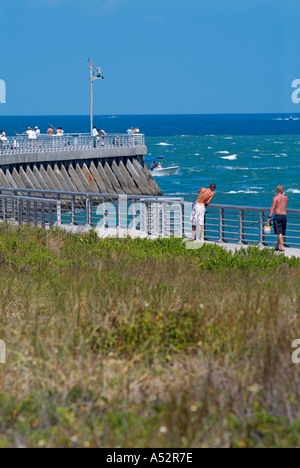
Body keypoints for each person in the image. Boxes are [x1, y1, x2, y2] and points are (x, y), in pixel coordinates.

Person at [268, 185, 288, 252]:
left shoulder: (275, 198)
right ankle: (277, 246)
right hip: (284, 216)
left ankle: (282, 247)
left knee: (279, 233)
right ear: (282, 190)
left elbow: (273, 207)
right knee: (281, 232)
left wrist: (269, 217)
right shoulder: (286, 197)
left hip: (278, 216)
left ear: (277, 190)